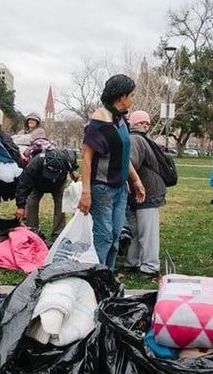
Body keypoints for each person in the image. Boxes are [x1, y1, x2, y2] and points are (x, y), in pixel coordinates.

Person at [78, 74, 146, 270]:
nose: (132, 99)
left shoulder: (121, 120)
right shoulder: (98, 123)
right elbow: (86, 158)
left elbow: (123, 155)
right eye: (131, 95)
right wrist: (86, 192)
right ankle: (96, 279)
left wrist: (136, 181)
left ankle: (109, 275)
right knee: (104, 236)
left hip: (120, 189)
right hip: (102, 189)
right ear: (121, 96)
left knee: (116, 237)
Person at [123, 110, 165, 279]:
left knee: (147, 233)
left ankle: (150, 266)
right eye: (141, 123)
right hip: (141, 192)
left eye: (147, 123)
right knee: (135, 229)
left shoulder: (134, 139)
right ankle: (133, 262)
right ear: (133, 123)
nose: (144, 126)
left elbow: (130, 164)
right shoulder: (140, 139)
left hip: (147, 191)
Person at [15, 149, 78, 240]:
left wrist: (73, 171)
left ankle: (58, 234)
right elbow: (23, 183)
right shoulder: (35, 163)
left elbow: (72, 159)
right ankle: (32, 231)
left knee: (61, 204)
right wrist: (20, 206)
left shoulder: (66, 160)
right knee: (32, 203)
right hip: (38, 184)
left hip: (58, 184)